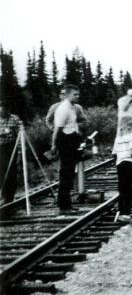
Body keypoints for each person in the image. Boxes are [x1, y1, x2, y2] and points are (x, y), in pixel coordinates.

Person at [51, 84, 82, 213]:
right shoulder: (63, 108)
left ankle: (66, 204)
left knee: (69, 174)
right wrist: (53, 145)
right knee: (66, 174)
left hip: (71, 141)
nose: (77, 96)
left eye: (77, 94)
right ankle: (64, 206)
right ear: (68, 94)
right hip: (66, 142)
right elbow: (57, 129)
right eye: (75, 94)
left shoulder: (72, 107)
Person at [112, 115, 132, 221]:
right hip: (129, 162)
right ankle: (126, 212)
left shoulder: (118, 137)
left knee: (122, 187)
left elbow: (114, 153)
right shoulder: (131, 136)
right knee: (129, 188)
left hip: (120, 163)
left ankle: (122, 210)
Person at [0, 101, 22, 204]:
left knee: (11, 172)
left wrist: (19, 152)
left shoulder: (14, 119)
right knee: (2, 171)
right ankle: (4, 195)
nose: (2, 110)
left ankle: (9, 196)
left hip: (10, 148)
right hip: (0, 148)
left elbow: (19, 137)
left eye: (4, 108)